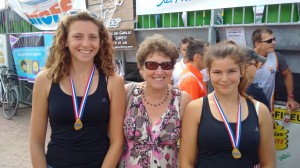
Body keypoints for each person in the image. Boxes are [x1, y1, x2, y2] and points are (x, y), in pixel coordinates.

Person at [29, 10, 125, 168]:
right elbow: (35, 142)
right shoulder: (45, 80)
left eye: (93, 37)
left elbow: (117, 142)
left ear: (100, 42)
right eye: (78, 36)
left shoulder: (113, 82)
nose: (86, 44)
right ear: (65, 41)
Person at [180, 41, 275, 168]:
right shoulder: (195, 109)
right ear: (209, 73)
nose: (224, 79)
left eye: (231, 71)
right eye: (217, 72)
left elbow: (268, 163)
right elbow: (186, 162)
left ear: (242, 70)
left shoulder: (260, 110)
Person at [119, 34, 192, 167]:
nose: (159, 72)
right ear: (141, 68)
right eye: (152, 65)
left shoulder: (182, 99)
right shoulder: (127, 93)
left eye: (166, 65)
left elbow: (187, 149)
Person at [252, 27, 299, 111]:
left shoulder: (276, 56)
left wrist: (290, 97)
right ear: (257, 44)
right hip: (247, 107)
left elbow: (287, 74)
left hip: (267, 107)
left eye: (274, 39)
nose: (274, 43)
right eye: (269, 41)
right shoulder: (244, 59)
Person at [241, 46, 270, 111]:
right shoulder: (254, 92)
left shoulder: (229, 90)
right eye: (256, 64)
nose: (257, 68)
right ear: (246, 67)